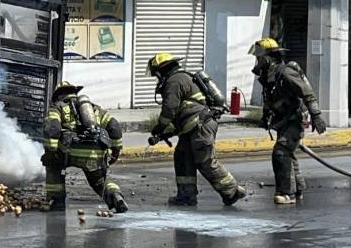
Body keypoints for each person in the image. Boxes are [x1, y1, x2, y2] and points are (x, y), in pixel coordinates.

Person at [146, 53, 246, 207]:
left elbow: (169, 110)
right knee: (183, 157)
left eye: (156, 75)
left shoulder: (175, 80)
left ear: (161, 70)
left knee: (205, 161)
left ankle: (232, 190)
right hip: (193, 127)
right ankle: (186, 196)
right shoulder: (181, 78)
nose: (157, 79)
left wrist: (159, 127)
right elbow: (182, 112)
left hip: (200, 126)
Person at [248, 37, 327, 205]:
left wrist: (316, 116)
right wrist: (265, 115)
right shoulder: (268, 76)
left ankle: (286, 193)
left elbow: (307, 93)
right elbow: (269, 98)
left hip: (295, 118)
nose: (257, 62)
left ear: (268, 58)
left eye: (259, 58)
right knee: (288, 153)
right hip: (283, 120)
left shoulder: (285, 72)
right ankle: (298, 191)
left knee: (281, 152)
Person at [42, 81, 128, 213]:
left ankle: (56, 200)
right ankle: (115, 195)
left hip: (68, 152)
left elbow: (52, 128)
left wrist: (51, 152)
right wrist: (116, 151)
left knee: (53, 166)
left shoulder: (57, 107)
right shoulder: (95, 109)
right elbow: (114, 126)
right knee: (99, 181)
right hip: (95, 153)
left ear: (58, 95)